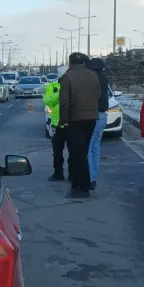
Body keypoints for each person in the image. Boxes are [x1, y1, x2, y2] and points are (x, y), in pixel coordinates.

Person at [58, 53, 101, 198]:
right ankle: (84, 183)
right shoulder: (93, 75)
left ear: (70, 62)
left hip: (74, 119)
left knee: (76, 154)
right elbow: (98, 95)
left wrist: (63, 121)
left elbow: (64, 102)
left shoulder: (67, 77)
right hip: (91, 118)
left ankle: (81, 187)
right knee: (83, 151)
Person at [86, 58, 110, 190]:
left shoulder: (92, 79)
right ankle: (94, 176)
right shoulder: (104, 78)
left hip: (92, 115)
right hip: (102, 116)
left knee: (88, 147)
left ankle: (89, 178)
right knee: (95, 147)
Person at [44, 66, 68, 182]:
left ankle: (73, 174)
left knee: (74, 151)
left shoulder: (73, 85)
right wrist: (60, 93)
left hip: (70, 123)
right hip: (57, 124)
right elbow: (47, 101)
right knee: (57, 152)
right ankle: (58, 173)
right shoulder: (52, 86)